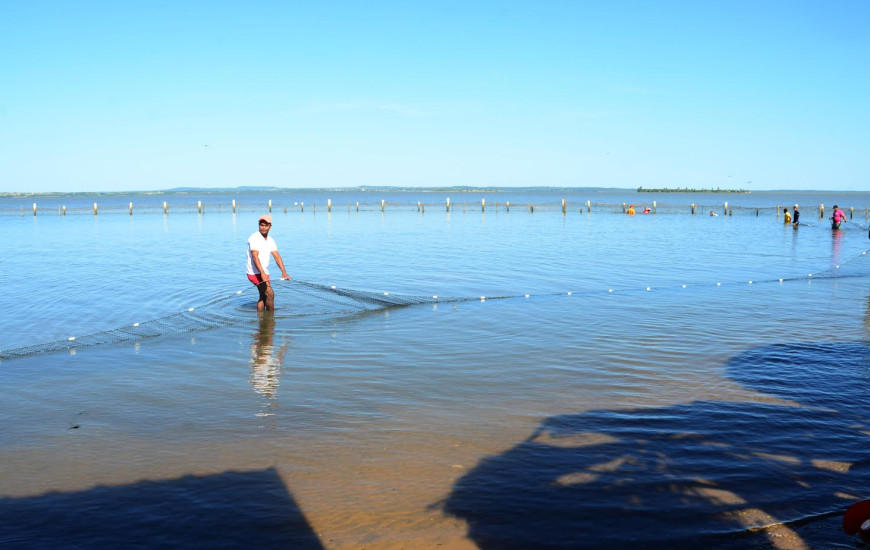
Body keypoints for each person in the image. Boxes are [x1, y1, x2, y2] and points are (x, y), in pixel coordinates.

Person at [246, 214, 290, 311]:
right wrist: (262, 273)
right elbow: (254, 256)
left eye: (266, 225)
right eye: (261, 225)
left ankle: (261, 318)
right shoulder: (254, 238)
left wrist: (283, 271)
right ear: (259, 225)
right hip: (255, 272)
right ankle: (271, 318)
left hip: (263, 272)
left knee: (263, 296)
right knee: (270, 294)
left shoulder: (270, 240)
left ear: (270, 226)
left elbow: (276, 255)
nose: (263, 227)